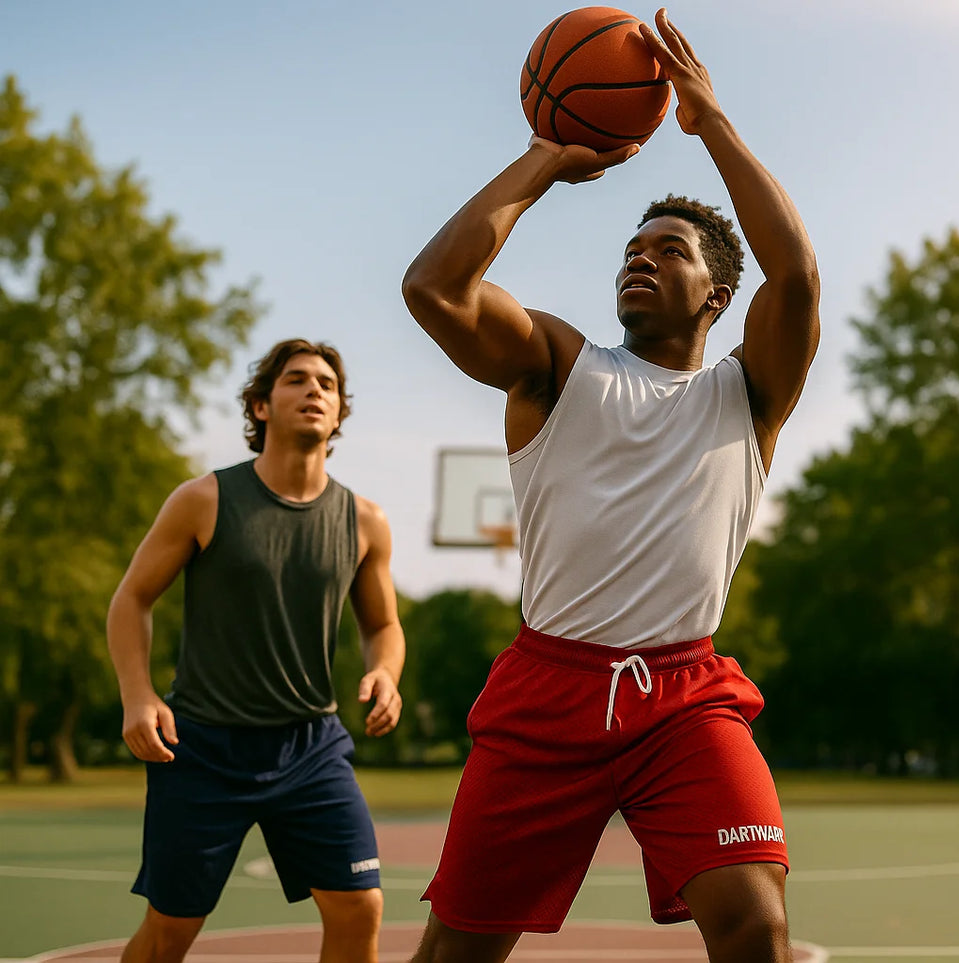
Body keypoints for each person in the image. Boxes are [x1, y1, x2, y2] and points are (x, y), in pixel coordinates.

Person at [399, 10, 819, 963]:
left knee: (757, 925)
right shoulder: (556, 364)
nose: (641, 255)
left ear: (716, 294)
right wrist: (545, 158)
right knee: (454, 956)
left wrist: (708, 119)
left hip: (684, 695)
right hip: (547, 692)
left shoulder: (746, 397)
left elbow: (793, 272)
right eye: (633, 246)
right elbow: (434, 289)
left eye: (670, 249)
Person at [106, 339, 406, 963]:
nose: (315, 391)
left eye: (326, 384)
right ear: (261, 406)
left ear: (340, 413)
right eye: (296, 380)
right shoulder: (204, 500)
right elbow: (131, 599)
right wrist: (137, 696)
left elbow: (383, 625)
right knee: (170, 930)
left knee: (360, 908)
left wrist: (385, 670)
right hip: (203, 749)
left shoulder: (365, 521)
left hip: (311, 747)